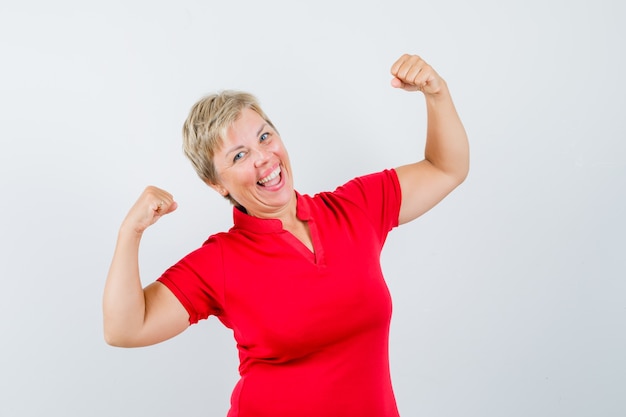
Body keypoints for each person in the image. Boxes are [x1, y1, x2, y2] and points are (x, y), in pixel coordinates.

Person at [103, 53, 469, 417]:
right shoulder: (220, 261)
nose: (264, 157)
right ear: (216, 184)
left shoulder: (354, 208)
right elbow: (126, 329)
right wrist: (129, 232)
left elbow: (445, 168)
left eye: (265, 137)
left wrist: (437, 94)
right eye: (239, 155)